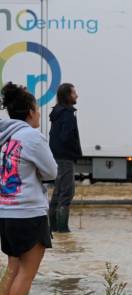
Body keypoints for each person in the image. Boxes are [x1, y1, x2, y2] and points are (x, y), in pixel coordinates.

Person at [0, 82, 58, 295]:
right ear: (30, 111)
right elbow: (51, 172)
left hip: (5, 211)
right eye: (37, 109)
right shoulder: (32, 137)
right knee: (27, 271)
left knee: (12, 269)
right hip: (28, 212)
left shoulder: (4, 136)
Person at [48, 83, 82, 233]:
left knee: (58, 191)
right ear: (67, 96)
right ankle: (63, 229)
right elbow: (66, 137)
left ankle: (53, 228)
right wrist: (75, 151)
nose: (77, 95)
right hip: (65, 158)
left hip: (56, 156)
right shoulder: (67, 113)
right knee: (67, 193)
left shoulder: (57, 112)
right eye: (74, 93)